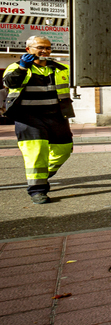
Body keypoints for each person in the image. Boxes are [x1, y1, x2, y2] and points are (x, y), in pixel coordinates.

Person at [3, 36, 73, 204]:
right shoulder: (15, 67)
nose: (45, 51)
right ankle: (37, 191)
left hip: (57, 116)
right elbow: (10, 83)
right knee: (36, 153)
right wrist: (22, 67)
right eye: (40, 47)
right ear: (28, 50)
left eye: (48, 48)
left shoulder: (60, 68)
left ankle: (42, 175)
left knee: (64, 150)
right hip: (29, 118)